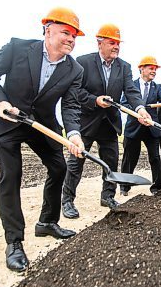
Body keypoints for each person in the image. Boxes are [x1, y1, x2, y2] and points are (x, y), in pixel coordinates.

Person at [0, 7, 86, 272]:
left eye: (74, 36)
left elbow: (70, 106)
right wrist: (1, 102)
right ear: (48, 31)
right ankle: (14, 242)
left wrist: (73, 134)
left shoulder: (75, 69)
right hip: (9, 120)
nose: (71, 39)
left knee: (59, 167)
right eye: (66, 33)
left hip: (42, 124)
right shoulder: (17, 48)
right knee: (11, 174)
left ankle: (47, 222)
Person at [62, 24, 151, 215]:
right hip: (86, 121)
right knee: (76, 162)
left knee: (111, 161)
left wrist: (140, 108)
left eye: (118, 43)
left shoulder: (124, 67)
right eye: (112, 43)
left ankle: (108, 196)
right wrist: (95, 100)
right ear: (99, 43)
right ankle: (67, 201)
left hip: (110, 122)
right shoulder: (83, 62)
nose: (116, 47)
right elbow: (76, 92)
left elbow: (132, 91)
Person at [119, 57, 161, 196]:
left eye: (155, 69)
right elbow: (124, 103)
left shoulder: (157, 87)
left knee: (155, 158)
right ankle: (125, 186)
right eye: (151, 68)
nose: (154, 71)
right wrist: (138, 113)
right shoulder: (131, 85)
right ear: (142, 68)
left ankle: (156, 187)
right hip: (134, 127)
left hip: (151, 128)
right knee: (130, 158)